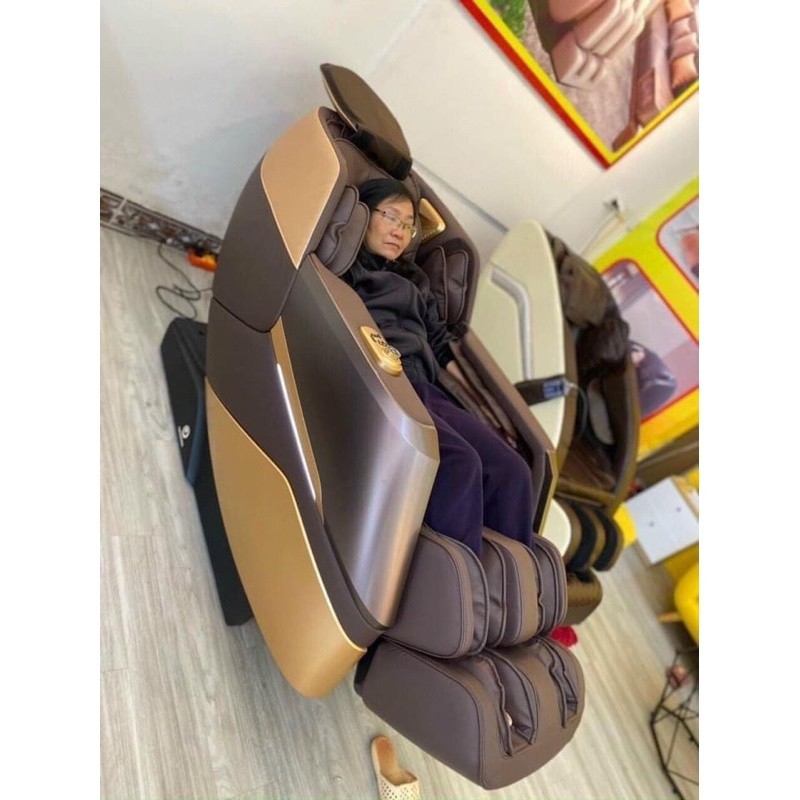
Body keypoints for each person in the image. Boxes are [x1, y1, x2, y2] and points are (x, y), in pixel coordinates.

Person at [343, 178, 534, 557]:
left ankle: (515, 579)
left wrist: (486, 407)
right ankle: (461, 583)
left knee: (513, 471)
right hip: (385, 379)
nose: (399, 231)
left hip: (427, 389)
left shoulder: (415, 280)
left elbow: (441, 345)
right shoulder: (350, 268)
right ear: (363, 216)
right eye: (390, 217)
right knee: (461, 464)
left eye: (407, 224)